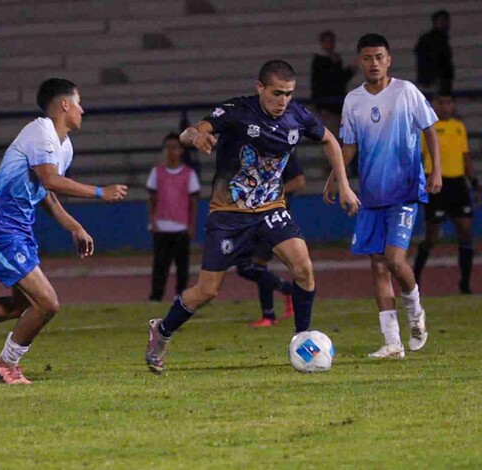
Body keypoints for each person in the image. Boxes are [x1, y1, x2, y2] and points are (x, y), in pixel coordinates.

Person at [146, 60, 360, 375]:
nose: (282, 101)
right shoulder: (237, 111)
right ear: (260, 88)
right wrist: (197, 138)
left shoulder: (297, 116)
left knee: (304, 269)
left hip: (271, 209)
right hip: (229, 214)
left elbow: (329, 140)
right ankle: (161, 331)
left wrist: (343, 184)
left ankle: (301, 338)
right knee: (207, 291)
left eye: (288, 94)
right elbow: (193, 130)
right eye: (276, 93)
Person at [0, 78, 128, 384]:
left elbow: (47, 193)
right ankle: (6, 364)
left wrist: (74, 227)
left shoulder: (65, 147)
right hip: (0, 227)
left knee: (24, 304)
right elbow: (50, 181)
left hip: (19, 230)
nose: (82, 110)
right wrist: (101, 192)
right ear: (65, 105)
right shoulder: (41, 132)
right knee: (47, 302)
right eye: (78, 102)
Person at [324, 34, 442, 359]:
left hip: (404, 190)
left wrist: (436, 171)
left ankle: (416, 312)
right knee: (377, 267)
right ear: (359, 62)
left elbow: (430, 129)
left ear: (389, 59)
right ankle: (392, 343)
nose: (373, 63)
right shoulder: (353, 101)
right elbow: (349, 145)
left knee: (393, 260)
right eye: (367, 58)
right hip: (371, 195)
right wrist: (336, 177)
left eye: (379, 57)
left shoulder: (406, 92)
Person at [413, 94, 481, 294]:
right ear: (434, 105)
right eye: (441, 102)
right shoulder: (427, 128)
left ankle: (465, 284)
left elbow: (465, 157)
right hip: (436, 183)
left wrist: (474, 184)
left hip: (458, 184)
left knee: (465, 232)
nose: (445, 106)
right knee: (432, 237)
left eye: (449, 102)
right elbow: (418, 157)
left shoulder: (459, 127)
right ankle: (414, 281)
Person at [236, 151, 305, 327]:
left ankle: (269, 315)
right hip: (252, 216)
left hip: (274, 217)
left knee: (256, 265)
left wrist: (270, 192)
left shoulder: (284, 151)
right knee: (246, 266)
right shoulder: (254, 152)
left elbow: (299, 182)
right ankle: (286, 291)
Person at [146, 132, 201, 301]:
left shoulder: (188, 173)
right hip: (161, 227)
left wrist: (191, 225)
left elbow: (193, 202)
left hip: (181, 228)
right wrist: (153, 221)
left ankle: (181, 297)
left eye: (175, 148)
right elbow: (152, 199)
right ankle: (156, 296)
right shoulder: (157, 172)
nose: (171, 151)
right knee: (160, 265)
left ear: (181, 151)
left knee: (182, 266)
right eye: (168, 148)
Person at [311, 30, 356, 136]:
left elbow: (339, 81)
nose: (331, 44)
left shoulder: (335, 59)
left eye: (332, 41)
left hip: (337, 105)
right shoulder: (320, 61)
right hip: (328, 105)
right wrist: (320, 106)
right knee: (333, 136)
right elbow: (323, 83)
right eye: (327, 42)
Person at [415, 10, 454, 94]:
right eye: (442, 21)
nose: (445, 23)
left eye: (446, 21)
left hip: (438, 82)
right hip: (434, 82)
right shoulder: (433, 40)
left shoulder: (440, 39)